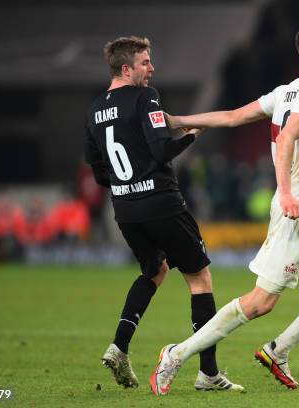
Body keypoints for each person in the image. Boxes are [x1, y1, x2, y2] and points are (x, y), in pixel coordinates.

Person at [150, 25, 299, 395]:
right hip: (298, 210)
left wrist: (182, 121)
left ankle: (279, 350)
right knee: (261, 302)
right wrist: (286, 192)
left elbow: (233, 117)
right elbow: (288, 136)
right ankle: (176, 354)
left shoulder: (286, 92)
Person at [84, 36, 243, 391]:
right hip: (162, 203)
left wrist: (127, 187)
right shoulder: (146, 97)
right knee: (199, 279)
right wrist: (190, 136)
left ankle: (120, 345)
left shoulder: (94, 109)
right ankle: (209, 374)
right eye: (145, 63)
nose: (151, 69)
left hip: (125, 210)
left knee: (155, 271)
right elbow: (160, 152)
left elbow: (97, 173)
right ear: (126, 68)